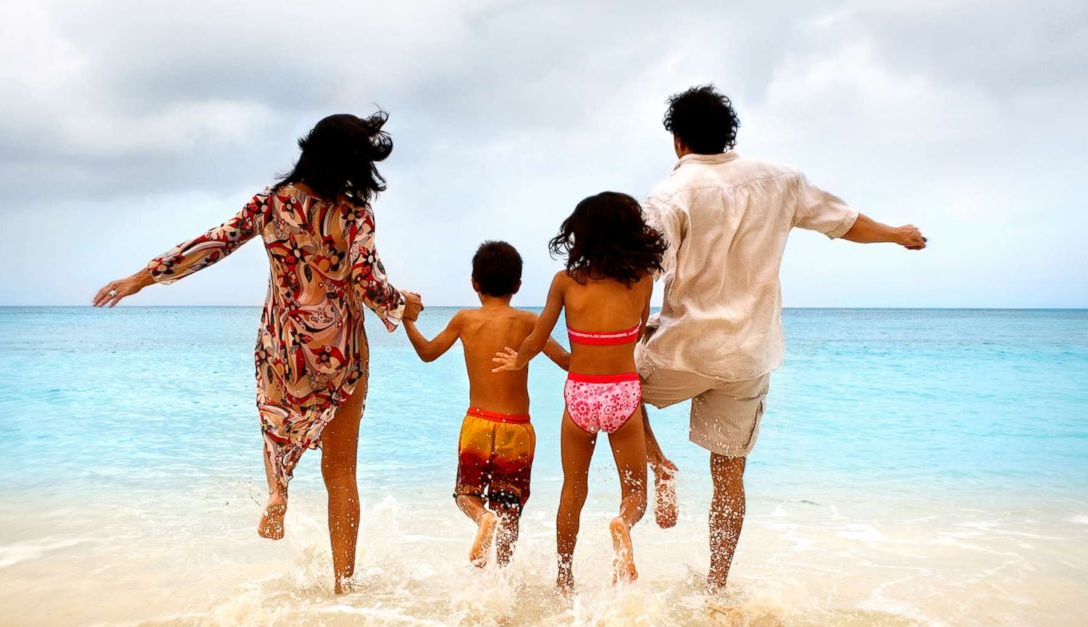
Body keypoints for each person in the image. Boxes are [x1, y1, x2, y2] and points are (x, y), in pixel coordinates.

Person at [92, 111, 422, 594]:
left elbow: (213, 243)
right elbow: (366, 281)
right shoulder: (355, 215)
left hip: (283, 347)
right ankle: (344, 586)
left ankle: (277, 492)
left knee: (277, 420)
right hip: (340, 350)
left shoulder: (271, 204)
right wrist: (404, 305)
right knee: (342, 471)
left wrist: (142, 277)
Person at [638, 85, 927, 591]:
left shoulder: (670, 195)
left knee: (606, 391)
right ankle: (716, 585)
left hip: (681, 350)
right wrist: (896, 233)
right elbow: (845, 222)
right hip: (748, 356)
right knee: (728, 476)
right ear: (730, 134)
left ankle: (657, 464)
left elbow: (643, 274)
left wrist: (623, 339)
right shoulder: (781, 181)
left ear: (679, 141)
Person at [494, 193, 667, 592]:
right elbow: (639, 329)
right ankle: (622, 523)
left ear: (582, 234)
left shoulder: (565, 282)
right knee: (635, 491)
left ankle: (564, 576)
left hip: (581, 395)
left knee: (574, 488)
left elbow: (539, 337)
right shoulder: (643, 279)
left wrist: (517, 362)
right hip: (623, 392)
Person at [401, 241, 569, 567]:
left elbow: (427, 353)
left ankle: (481, 519)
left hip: (477, 422)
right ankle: (502, 579)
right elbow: (565, 361)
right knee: (510, 512)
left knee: (466, 494)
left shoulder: (464, 320)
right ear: (518, 286)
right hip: (517, 429)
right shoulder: (528, 322)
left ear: (474, 284)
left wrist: (408, 320)